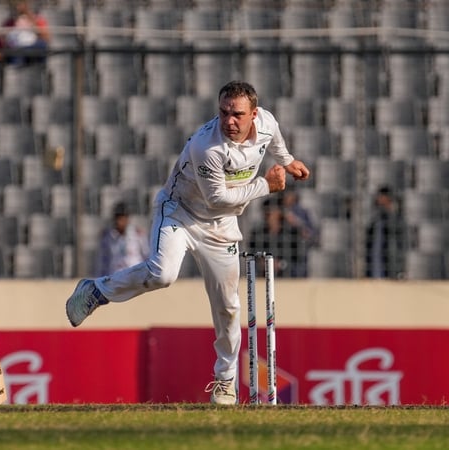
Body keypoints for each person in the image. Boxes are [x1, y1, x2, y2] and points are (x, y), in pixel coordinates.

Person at [65, 81, 310, 404]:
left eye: (237, 114)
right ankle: (96, 290)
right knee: (163, 274)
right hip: (179, 212)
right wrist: (266, 186)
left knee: (228, 306)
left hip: (220, 226)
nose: (229, 121)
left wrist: (288, 159)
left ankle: (225, 382)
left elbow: (274, 142)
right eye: (223, 113)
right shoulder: (206, 146)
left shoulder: (267, 122)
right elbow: (218, 199)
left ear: (254, 113)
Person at [247, 196, 310, 278]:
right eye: (265, 212)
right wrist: (262, 263)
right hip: (263, 276)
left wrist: (281, 264)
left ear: (279, 213)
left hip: (289, 278)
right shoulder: (257, 233)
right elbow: (252, 254)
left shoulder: (291, 233)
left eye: (270, 212)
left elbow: (299, 258)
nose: (268, 216)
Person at [95, 202, 149, 276]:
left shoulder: (138, 235)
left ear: (127, 219)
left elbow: (146, 256)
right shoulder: (108, 236)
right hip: (115, 276)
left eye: (122, 218)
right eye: (117, 218)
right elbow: (103, 261)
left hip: (134, 276)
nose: (119, 222)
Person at [365, 186, 407, 279]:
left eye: (383, 197)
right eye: (380, 197)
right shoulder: (374, 218)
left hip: (391, 256)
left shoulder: (396, 218)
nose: (381, 199)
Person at [0, 0, 50, 65]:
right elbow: (1, 40)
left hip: (32, 46)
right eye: (17, 4)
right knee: (16, 51)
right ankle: (18, 71)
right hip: (15, 48)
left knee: (41, 46)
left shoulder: (37, 19)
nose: (18, 7)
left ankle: (40, 70)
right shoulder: (9, 23)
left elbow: (46, 38)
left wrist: (32, 19)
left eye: (21, 3)